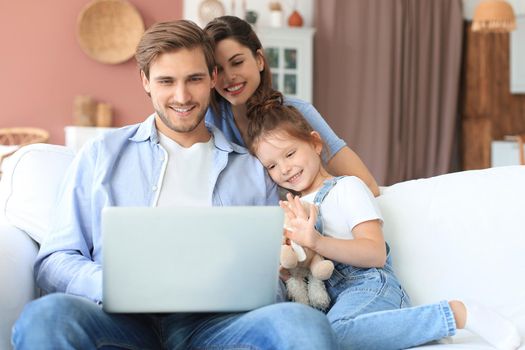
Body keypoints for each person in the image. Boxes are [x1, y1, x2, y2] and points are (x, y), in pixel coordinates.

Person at [11, 20, 338, 350]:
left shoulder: (251, 170)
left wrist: (260, 281)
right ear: (146, 81)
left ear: (212, 78)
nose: (182, 97)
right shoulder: (100, 155)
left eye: (194, 79)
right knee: (47, 316)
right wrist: (111, 285)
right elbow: (54, 259)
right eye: (166, 81)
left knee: (303, 325)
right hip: (119, 319)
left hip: (218, 324)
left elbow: (276, 275)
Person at [244, 91, 522, 350]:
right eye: (271, 165)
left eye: (290, 154)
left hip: (370, 287)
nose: (284, 169)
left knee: (332, 334)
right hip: (329, 302)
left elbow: (375, 253)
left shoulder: (347, 188)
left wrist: (317, 241)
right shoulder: (290, 209)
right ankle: (407, 332)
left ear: (316, 143)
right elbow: (300, 267)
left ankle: (453, 314)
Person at [203, 15, 380, 197]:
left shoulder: (297, 111)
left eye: (237, 62)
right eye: (219, 70)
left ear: (259, 60)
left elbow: (368, 186)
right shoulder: (208, 120)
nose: (229, 76)